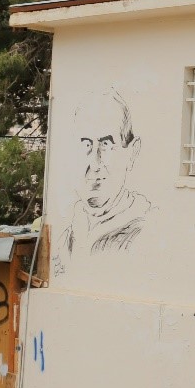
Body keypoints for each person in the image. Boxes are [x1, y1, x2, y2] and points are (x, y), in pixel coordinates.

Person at [55, 90, 155, 275]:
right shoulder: (66, 239)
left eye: (106, 145)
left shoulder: (148, 233)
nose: (95, 163)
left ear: (132, 152)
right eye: (86, 144)